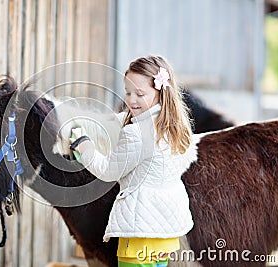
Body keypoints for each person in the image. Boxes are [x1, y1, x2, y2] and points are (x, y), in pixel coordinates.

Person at [69, 55, 194, 267]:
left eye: (139, 94)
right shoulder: (174, 127)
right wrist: (106, 121)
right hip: (164, 233)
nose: (131, 100)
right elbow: (129, 122)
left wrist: (84, 145)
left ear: (159, 92)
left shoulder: (137, 134)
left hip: (139, 234)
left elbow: (108, 171)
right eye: (127, 92)